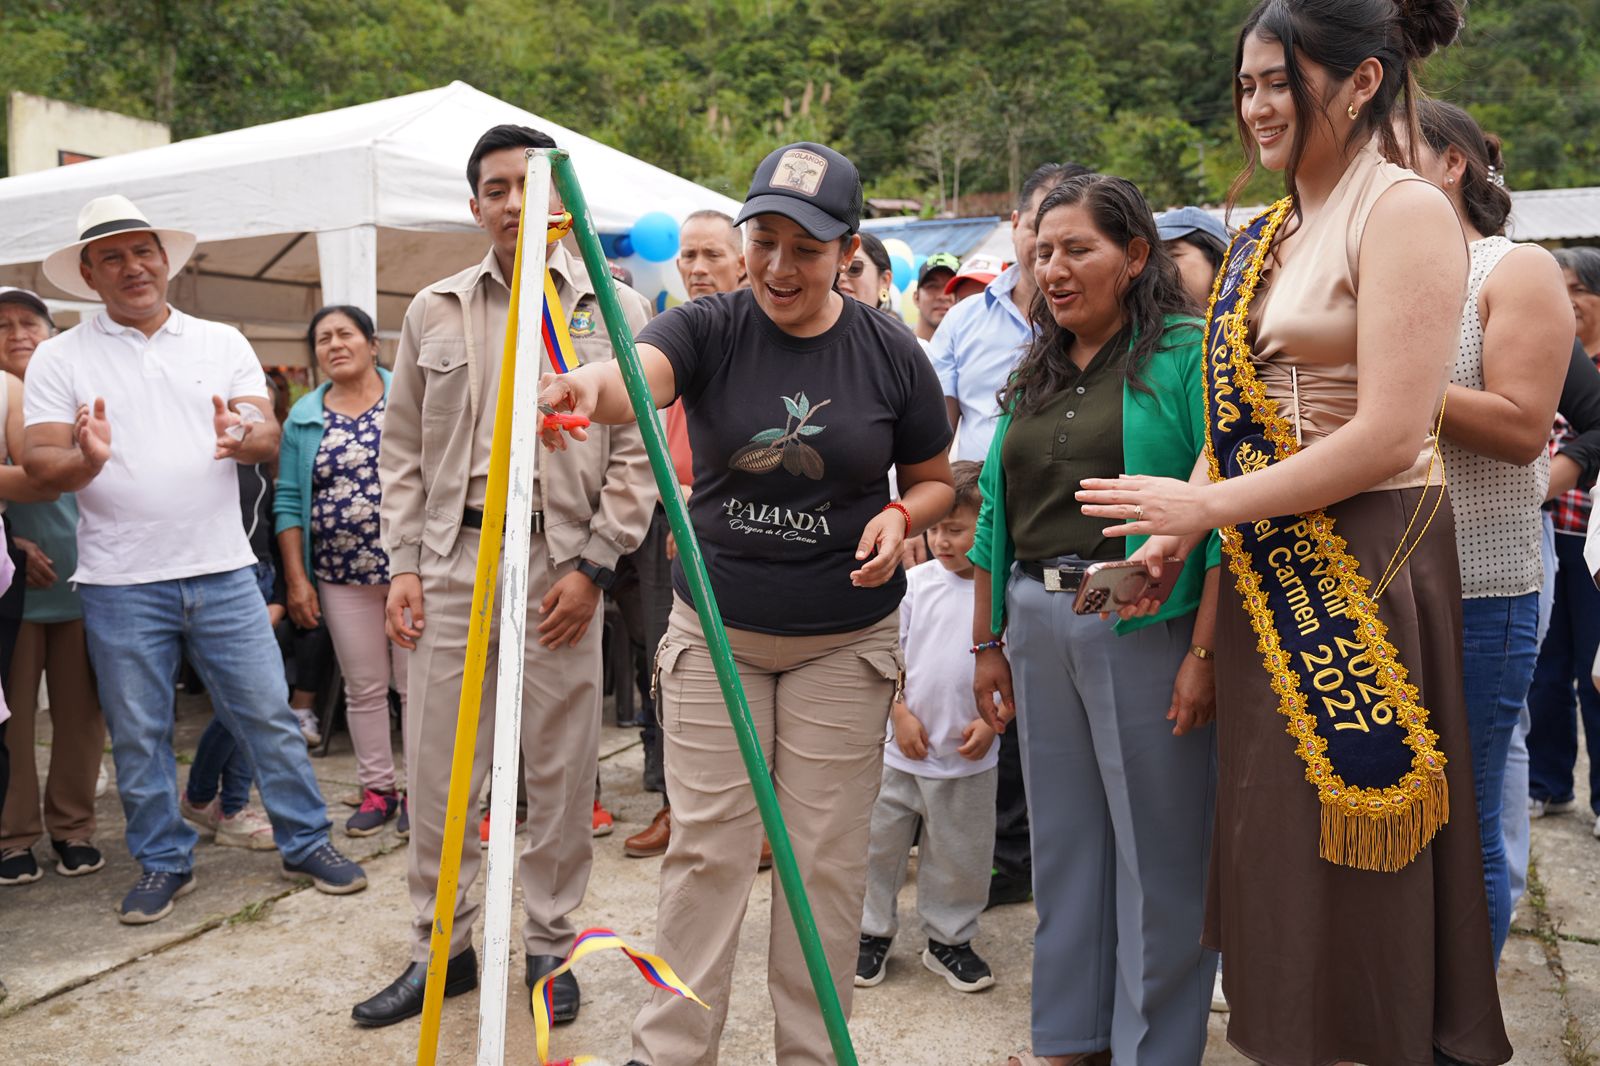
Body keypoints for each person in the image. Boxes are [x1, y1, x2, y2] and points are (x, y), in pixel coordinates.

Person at [1077, 2, 1513, 1062]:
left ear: (1361, 82)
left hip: (1361, 562)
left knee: (1351, 836)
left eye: (1280, 80)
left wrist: (1208, 510)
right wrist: (1162, 542)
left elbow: (1393, 430)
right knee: (1272, 837)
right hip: (1268, 567)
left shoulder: (1401, 209)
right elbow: (1236, 417)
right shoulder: (1267, 229)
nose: (1257, 104)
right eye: (1246, 84)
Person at [537, 139, 954, 1066]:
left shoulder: (889, 350)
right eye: (761, 239)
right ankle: (672, 1053)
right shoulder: (711, 326)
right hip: (714, 637)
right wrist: (580, 387)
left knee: (823, 868)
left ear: (847, 249)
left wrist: (899, 513)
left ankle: (812, 1053)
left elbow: (933, 481)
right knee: (706, 859)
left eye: (803, 248)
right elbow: (634, 380)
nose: (776, 265)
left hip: (842, 648)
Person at [356, 124, 655, 1029]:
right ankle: (440, 948)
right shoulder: (433, 309)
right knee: (441, 769)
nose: (515, 203)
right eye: (497, 189)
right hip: (453, 561)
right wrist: (403, 563)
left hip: (562, 565)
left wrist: (598, 565)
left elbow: (639, 452)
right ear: (476, 203)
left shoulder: (615, 312)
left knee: (560, 770)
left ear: (562, 197)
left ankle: (550, 950)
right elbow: (400, 446)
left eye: (531, 186)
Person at [23, 194, 367, 925]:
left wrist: (247, 438)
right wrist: (83, 460)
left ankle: (306, 840)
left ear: (166, 259)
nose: (132, 267)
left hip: (222, 568)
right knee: (139, 730)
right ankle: (162, 860)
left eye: (142, 250)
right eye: (111, 256)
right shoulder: (60, 356)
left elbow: (266, 434)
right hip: (118, 579)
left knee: (267, 714)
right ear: (88, 275)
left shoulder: (221, 340)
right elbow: (39, 459)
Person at [971, 174, 1222, 1065]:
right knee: (1068, 845)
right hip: (1036, 620)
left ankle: (1154, 1048)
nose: (1055, 267)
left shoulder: (1190, 353)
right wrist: (986, 639)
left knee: (1159, 854)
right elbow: (996, 514)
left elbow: (1224, 507)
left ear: (1137, 255)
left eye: (1078, 248)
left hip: (1142, 620)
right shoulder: (1033, 366)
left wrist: (1203, 652)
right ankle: (1072, 1038)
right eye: (1042, 251)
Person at [1408, 98, 1572, 961]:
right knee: (1392, 815)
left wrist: (1389, 383)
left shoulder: (1514, 270)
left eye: (1395, 154)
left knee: (1463, 823)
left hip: (1480, 586)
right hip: (1374, 586)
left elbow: (1518, 427)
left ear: (1452, 166)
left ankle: (1459, 1035)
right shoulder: (1383, 277)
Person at [929, 161, 1090, 911]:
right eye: (1036, 227)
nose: (1048, 250)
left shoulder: (1105, 327)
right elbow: (940, 429)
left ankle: (1029, 856)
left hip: (1071, 539)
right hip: (983, 529)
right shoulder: (966, 319)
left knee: (1049, 714)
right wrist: (934, 518)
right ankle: (988, 851)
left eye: (1071, 237)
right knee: (982, 684)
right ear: (1017, 228)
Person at [621, 211, 741, 863]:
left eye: (712, 255)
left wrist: (702, 502)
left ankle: (748, 817)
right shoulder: (667, 334)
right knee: (668, 667)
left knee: (737, 667)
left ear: (742, 263)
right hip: (662, 514)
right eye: (688, 256)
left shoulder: (760, 333)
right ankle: (678, 804)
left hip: (726, 518)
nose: (696, 268)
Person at [857, 460, 997, 994]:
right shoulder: (912, 584)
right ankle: (870, 933)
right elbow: (888, 653)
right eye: (934, 528)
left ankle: (949, 940)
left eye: (955, 529)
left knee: (961, 854)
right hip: (900, 749)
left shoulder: (996, 589)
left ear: (986, 526)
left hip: (967, 755)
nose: (940, 540)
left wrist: (992, 726)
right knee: (877, 846)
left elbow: (1013, 668)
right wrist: (899, 713)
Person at [277, 305, 409, 839]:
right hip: (338, 575)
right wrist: (296, 579)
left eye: (345, 334)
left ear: (372, 344)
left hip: (410, 569)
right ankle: (379, 790)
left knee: (416, 687)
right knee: (364, 687)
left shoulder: (408, 397)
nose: (334, 344)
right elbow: (288, 501)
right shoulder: (304, 417)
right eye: (323, 338)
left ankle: (427, 793)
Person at [0, 288, 107, 885]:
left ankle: (74, 829)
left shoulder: (82, 397)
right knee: (11, 720)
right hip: (13, 587)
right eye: (3, 324)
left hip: (86, 577)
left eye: (30, 322)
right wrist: (13, 542)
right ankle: (13, 837)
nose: (18, 333)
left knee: (81, 714)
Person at [1528, 245, 1600, 841]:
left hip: (1596, 546)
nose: (1566, 301)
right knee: (1547, 673)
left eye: (1576, 288)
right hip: (1552, 532)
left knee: (1594, 673)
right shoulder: (1545, 355)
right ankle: (1549, 785)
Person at [1154, 207, 1231, 309]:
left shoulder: (1250, 320)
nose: (1156, 267)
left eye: (1172, 255)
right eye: (1153, 258)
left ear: (1216, 259)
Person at [675, 209, 746, 299]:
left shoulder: (765, 312)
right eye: (689, 256)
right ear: (678, 266)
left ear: (741, 265)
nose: (698, 269)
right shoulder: (668, 313)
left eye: (713, 255)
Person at [838, 230, 895, 312]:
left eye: (854, 268)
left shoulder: (891, 325)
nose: (840, 277)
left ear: (884, 280)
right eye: (835, 270)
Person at [911, 252, 959, 348]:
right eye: (932, 286)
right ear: (916, 298)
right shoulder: (896, 348)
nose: (943, 296)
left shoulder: (972, 353)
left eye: (952, 287)